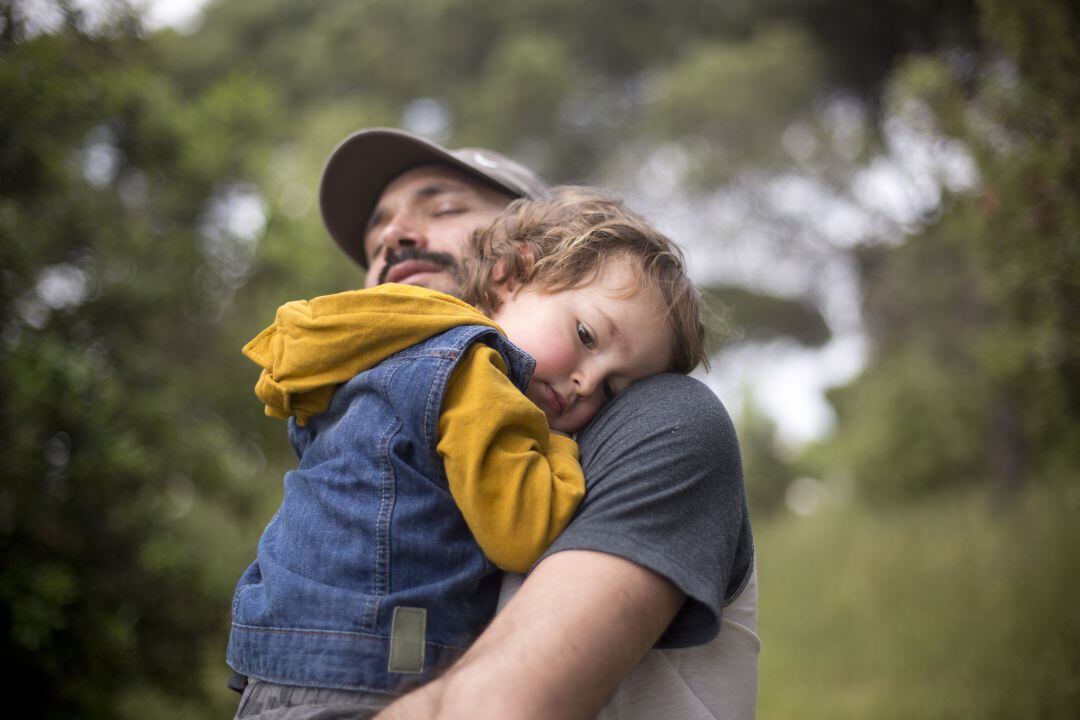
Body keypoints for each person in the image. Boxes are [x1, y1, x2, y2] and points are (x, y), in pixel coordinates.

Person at [239, 128, 759, 719]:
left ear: (519, 253)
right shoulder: (392, 415)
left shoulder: (658, 415)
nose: (392, 235)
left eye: (444, 207)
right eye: (375, 231)